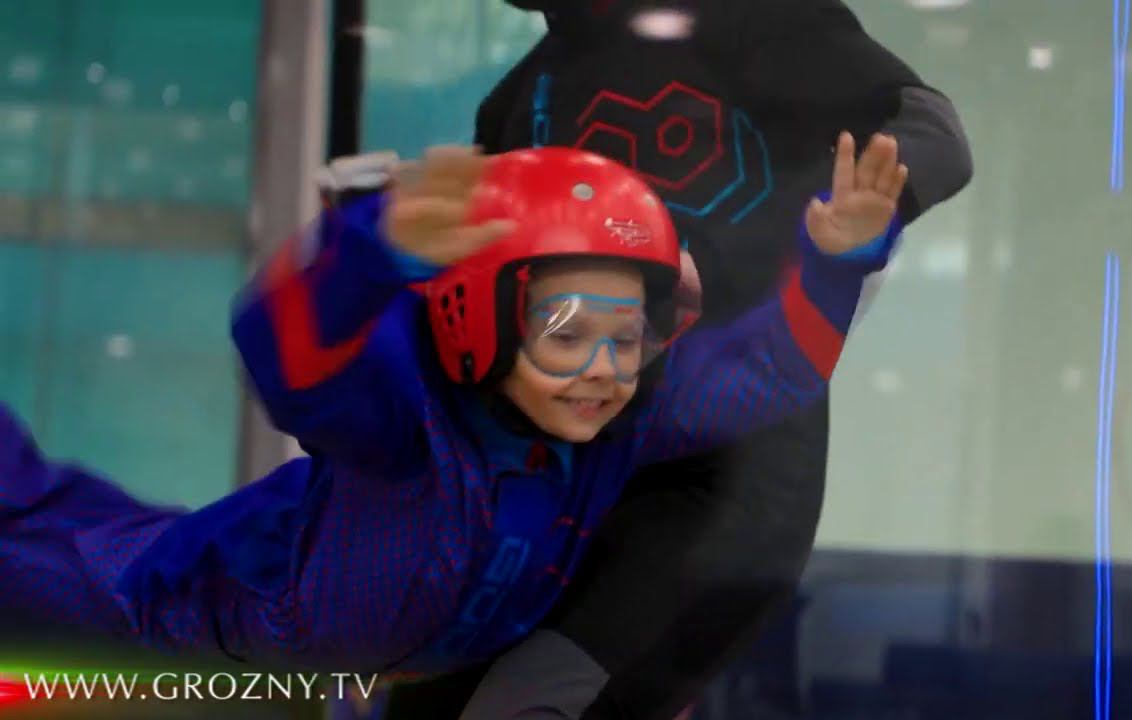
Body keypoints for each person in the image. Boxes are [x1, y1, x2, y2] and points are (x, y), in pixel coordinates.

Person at [0, 137, 906, 674]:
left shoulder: (616, 431)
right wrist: (367, 250)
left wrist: (841, 263)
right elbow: (288, 359)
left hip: (333, 665)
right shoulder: (405, 431)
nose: (602, 369)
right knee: (43, 545)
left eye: (627, 336)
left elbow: (768, 374)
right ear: (479, 320)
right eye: (565, 331)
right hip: (179, 616)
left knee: (50, 502)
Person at [384, 0, 972, 717]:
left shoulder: (753, 21)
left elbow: (933, 131)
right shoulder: (520, 94)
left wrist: (830, 225)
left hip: (721, 472)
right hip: (555, 477)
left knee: (535, 699)